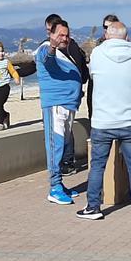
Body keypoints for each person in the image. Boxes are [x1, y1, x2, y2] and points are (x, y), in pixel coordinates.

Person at [78, 21, 131, 220]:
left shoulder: (98, 54)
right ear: (126, 37)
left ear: (107, 35)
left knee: (98, 166)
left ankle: (93, 207)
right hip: (129, 119)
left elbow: (93, 75)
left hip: (103, 120)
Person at [35, 17, 84, 204]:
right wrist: (53, 47)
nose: (64, 38)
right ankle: (54, 187)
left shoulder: (66, 52)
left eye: (67, 35)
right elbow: (47, 60)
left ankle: (60, 184)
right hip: (56, 105)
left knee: (63, 145)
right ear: (51, 34)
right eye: (60, 35)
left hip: (68, 105)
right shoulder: (44, 49)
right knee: (55, 145)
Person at [61, 26, 90, 176]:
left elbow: (81, 71)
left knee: (66, 128)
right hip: (70, 94)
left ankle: (67, 161)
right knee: (66, 127)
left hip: (69, 95)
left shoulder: (71, 48)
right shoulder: (66, 47)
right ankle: (66, 161)